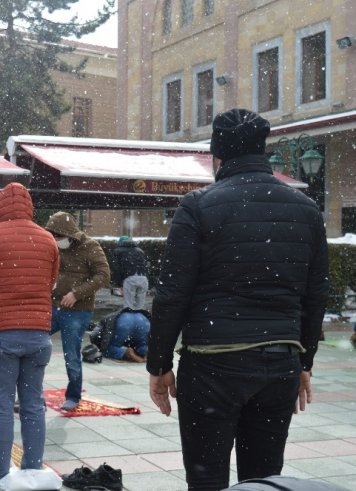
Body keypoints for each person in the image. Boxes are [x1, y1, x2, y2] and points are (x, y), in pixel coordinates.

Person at [147, 108, 330, 490]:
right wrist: (304, 361)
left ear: (217, 155)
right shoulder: (306, 209)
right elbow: (315, 294)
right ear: (262, 151)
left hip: (213, 364)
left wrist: (159, 364)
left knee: (206, 479)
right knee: (263, 480)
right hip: (279, 364)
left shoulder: (197, 206)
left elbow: (172, 293)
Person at [0, 182, 59, 484]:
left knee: (1, 403)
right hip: (38, 334)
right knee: (33, 403)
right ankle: (33, 466)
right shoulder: (47, 240)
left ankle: (0, 470)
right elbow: (50, 283)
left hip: (1, 334)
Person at [44, 211, 110, 411]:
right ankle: (30, 391)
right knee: (34, 343)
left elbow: (103, 275)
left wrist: (77, 293)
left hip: (78, 310)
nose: (55, 240)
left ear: (69, 234)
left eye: (58, 236)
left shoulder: (90, 246)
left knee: (71, 354)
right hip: (54, 305)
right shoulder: (53, 246)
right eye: (52, 235)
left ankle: (73, 395)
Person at [109, 235, 148, 310]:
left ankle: (128, 320)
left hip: (129, 279)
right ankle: (140, 320)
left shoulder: (118, 251)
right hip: (144, 279)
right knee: (140, 307)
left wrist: (118, 283)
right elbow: (145, 267)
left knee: (128, 306)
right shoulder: (140, 251)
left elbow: (116, 268)